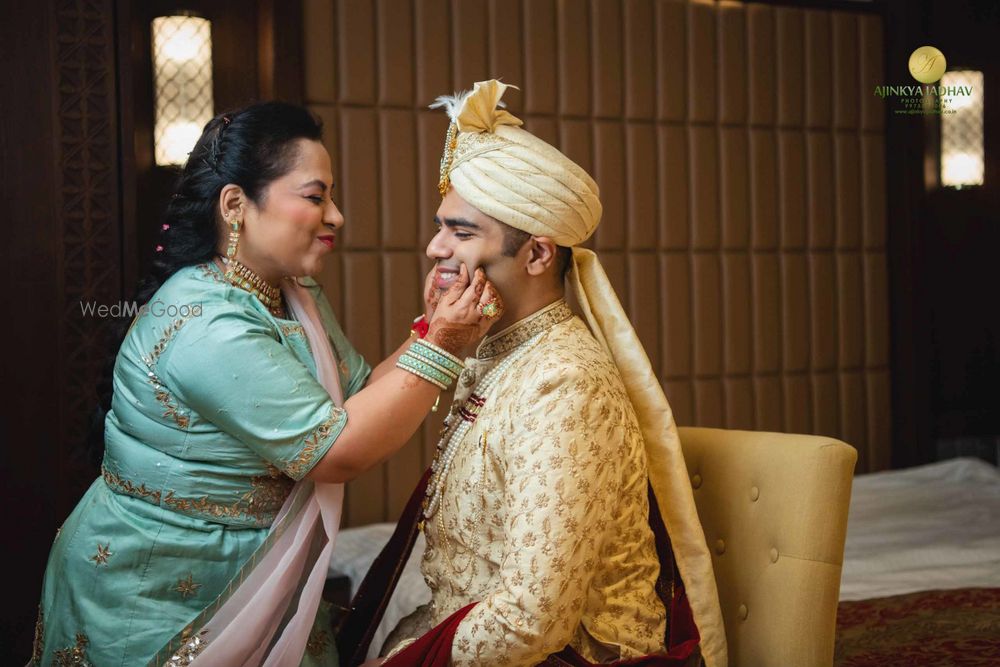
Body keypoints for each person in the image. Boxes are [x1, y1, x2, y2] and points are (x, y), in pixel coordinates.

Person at [30, 101, 503, 667]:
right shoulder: (207, 322)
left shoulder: (289, 294)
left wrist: (429, 328)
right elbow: (336, 451)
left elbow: (356, 400)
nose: (336, 216)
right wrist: (444, 345)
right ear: (236, 205)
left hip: (248, 570)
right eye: (315, 196)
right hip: (157, 586)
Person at [355, 81, 728, 667]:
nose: (433, 248)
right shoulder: (492, 350)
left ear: (536, 255)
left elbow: (533, 620)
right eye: (440, 225)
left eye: (461, 232)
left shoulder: (563, 384)